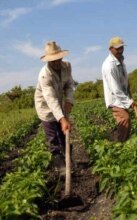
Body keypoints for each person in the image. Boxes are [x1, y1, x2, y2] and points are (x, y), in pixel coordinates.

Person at [34, 41, 75, 172]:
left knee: (64, 135)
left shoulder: (67, 66)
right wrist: (62, 119)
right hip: (45, 107)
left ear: (61, 57)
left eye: (58, 59)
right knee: (53, 138)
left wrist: (69, 100)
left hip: (59, 102)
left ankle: (68, 161)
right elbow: (50, 100)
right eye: (53, 61)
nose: (56, 63)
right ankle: (61, 167)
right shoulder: (44, 75)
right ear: (48, 61)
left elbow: (69, 84)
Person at [102, 36, 136, 142]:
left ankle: (121, 137)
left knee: (125, 121)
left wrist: (129, 93)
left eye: (122, 48)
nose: (120, 50)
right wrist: (128, 102)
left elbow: (124, 79)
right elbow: (115, 89)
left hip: (123, 96)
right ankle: (122, 145)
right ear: (110, 49)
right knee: (125, 118)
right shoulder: (109, 66)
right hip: (115, 99)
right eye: (117, 49)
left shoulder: (120, 60)